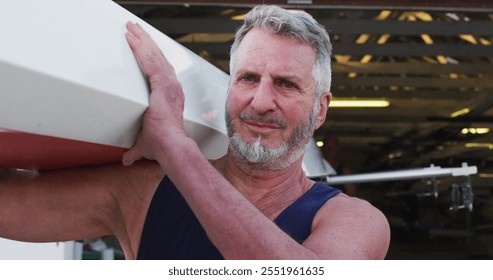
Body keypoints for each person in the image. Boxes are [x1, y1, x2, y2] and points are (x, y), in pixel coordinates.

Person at [0, 5, 390, 259]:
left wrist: (173, 143)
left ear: (320, 109)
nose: (260, 102)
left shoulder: (353, 220)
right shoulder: (143, 191)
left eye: (286, 84)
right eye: (248, 78)